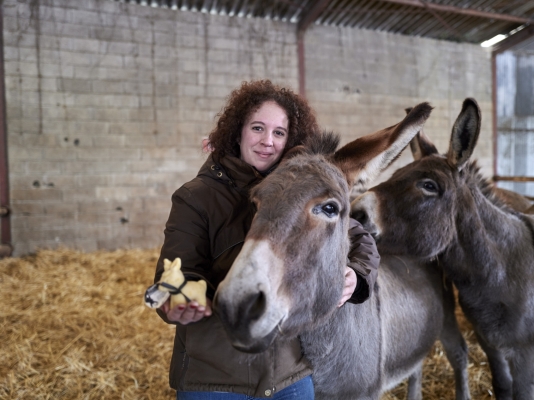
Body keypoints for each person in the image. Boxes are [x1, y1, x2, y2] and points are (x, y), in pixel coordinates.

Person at [154, 80, 379, 400]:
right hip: (215, 376)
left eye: (279, 132)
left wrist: (356, 275)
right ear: (238, 131)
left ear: (290, 140)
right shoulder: (196, 197)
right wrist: (179, 299)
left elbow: (359, 238)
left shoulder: (301, 190)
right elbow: (175, 272)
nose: (267, 142)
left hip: (287, 372)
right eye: (257, 128)